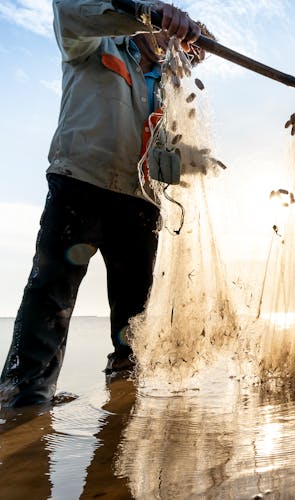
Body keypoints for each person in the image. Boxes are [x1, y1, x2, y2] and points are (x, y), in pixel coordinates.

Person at [0, 0, 204, 407]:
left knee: (133, 321)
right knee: (51, 296)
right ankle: (23, 400)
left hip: (139, 201)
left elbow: (174, 144)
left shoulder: (167, 80)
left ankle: (122, 403)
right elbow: (69, 12)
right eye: (162, 26)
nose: (166, 38)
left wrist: (194, 40)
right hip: (80, 185)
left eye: (171, 33)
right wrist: (147, 13)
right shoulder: (96, 44)